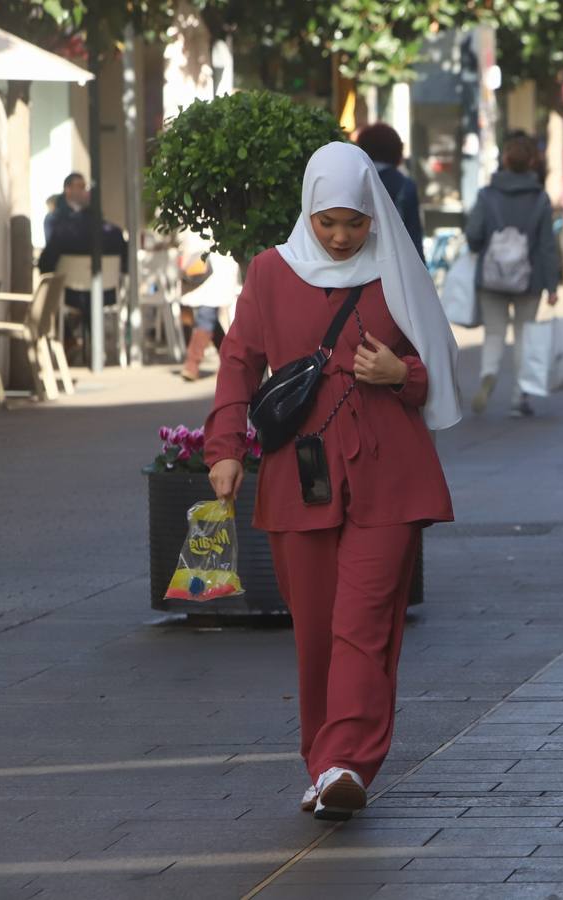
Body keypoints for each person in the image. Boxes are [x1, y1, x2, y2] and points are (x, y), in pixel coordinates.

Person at [204, 142, 459, 821]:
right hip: (301, 473)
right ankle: (322, 763)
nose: (343, 236)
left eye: (354, 221)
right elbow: (238, 364)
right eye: (328, 223)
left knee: (365, 623)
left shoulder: (397, 270)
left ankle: (348, 761)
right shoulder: (269, 272)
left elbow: (433, 367)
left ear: (373, 213)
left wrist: (402, 376)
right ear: (307, 212)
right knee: (316, 629)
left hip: (391, 473)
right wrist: (224, 449)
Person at [464, 133, 562, 417]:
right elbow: (547, 245)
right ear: (531, 162)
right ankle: (520, 397)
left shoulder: (487, 194)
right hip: (528, 278)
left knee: (494, 332)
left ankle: (488, 373)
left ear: (504, 160)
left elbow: (473, 234)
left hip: (491, 276)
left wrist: (480, 249)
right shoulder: (540, 199)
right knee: (523, 335)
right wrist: (552, 283)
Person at [38, 172, 129, 363]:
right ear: (68, 189)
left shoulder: (94, 225)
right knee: (57, 293)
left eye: (85, 186)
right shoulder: (57, 220)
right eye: (80, 186)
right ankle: (76, 342)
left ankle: (76, 343)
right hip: (95, 290)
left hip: (86, 291)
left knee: (59, 293)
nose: (85, 190)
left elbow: (47, 260)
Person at [355, 122, 425, 263]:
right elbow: (413, 237)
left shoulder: (354, 181)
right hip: (395, 263)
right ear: (397, 151)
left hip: (359, 261)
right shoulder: (406, 186)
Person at [176, 234, 239, 381]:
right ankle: (229, 361)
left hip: (216, 267)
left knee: (206, 315)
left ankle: (192, 365)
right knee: (210, 320)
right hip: (197, 266)